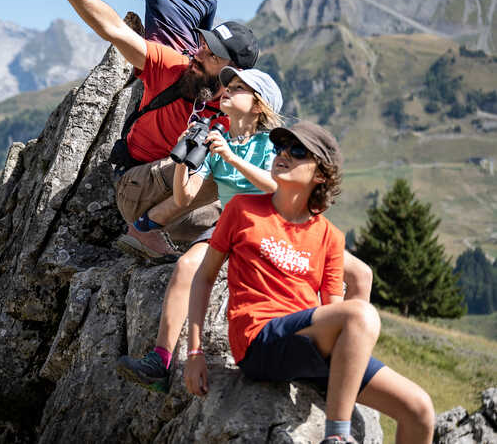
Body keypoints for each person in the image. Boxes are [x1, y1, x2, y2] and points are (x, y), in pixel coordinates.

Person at [184, 121, 435, 444]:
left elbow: (333, 314)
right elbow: (203, 278)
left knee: (419, 410)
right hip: (259, 341)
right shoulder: (242, 210)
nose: (283, 154)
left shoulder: (330, 237)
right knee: (362, 313)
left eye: (298, 151)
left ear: (321, 175)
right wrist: (194, 353)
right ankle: (337, 436)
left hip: (306, 348)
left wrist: (347, 364)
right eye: (281, 148)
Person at [22, 0, 258, 261]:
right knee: (218, 168)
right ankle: (143, 230)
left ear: (233, 72)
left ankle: (198, 243)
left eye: (213, 54)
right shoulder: (174, 68)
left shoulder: (236, 108)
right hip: (135, 183)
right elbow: (114, 28)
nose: (200, 51)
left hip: (176, 194)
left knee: (242, 186)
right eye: (204, 43)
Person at [117, 66, 282, 392]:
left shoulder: (270, 143)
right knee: (185, 266)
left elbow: (275, 187)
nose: (227, 91)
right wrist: (182, 162)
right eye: (228, 86)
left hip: (267, 224)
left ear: (259, 105)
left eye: (238, 88)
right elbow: (185, 196)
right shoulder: (218, 141)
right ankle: (160, 361)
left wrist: (231, 158)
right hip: (229, 225)